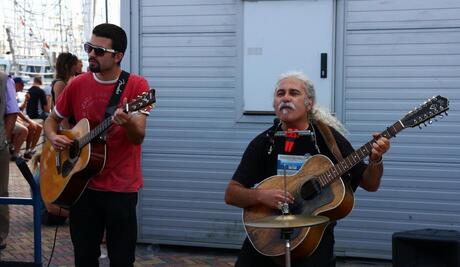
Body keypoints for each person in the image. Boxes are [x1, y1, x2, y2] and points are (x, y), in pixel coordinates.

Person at [224, 71, 390, 267]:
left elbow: (370, 184)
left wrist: (375, 160)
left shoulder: (329, 139)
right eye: (280, 93)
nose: (285, 97)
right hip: (267, 234)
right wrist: (261, 196)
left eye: (293, 93)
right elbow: (231, 194)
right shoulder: (263, 143)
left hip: (313, 237)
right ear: (274, 104)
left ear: (309, 103)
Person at [44, 23, 152, 267]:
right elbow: (51, 120)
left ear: (118, 56)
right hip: (81, 187)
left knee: (122, 259)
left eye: (99, 51)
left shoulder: (137, 87)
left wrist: (126, 123)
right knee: (84, 257)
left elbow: (138, 137)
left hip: (121, 188)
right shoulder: (77, 84)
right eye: (89, 48)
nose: (91, 54)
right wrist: (53, 137)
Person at [1, 72, 20, 249]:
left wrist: (5, 140)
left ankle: (0, 235)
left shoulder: (4, 79)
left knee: (1, 191)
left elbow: (12, 112)